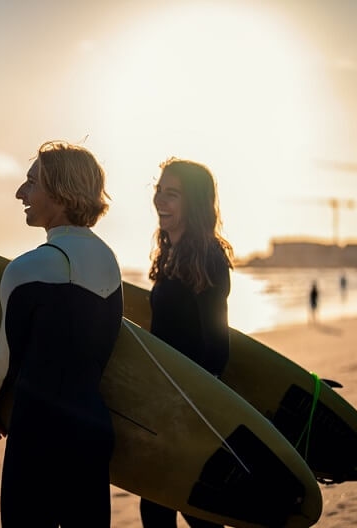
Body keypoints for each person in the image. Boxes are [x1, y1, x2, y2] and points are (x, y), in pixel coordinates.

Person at [0, 140, 123, 528]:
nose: (21, 193)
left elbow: (6, 357)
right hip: (93, 432)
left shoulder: (27, 269)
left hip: (39, 435)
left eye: (31, 183)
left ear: (62, 194)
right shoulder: (110, 264)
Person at [139, 158, 233, 528]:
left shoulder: (208, 257)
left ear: (193, 202)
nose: (160, 200)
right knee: (160, 507)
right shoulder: (171, 255)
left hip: (187, 406)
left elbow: (216, 345)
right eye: (159, 190)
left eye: (172, 193)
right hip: (164, 401)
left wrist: (191, 409)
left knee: (194, 511)